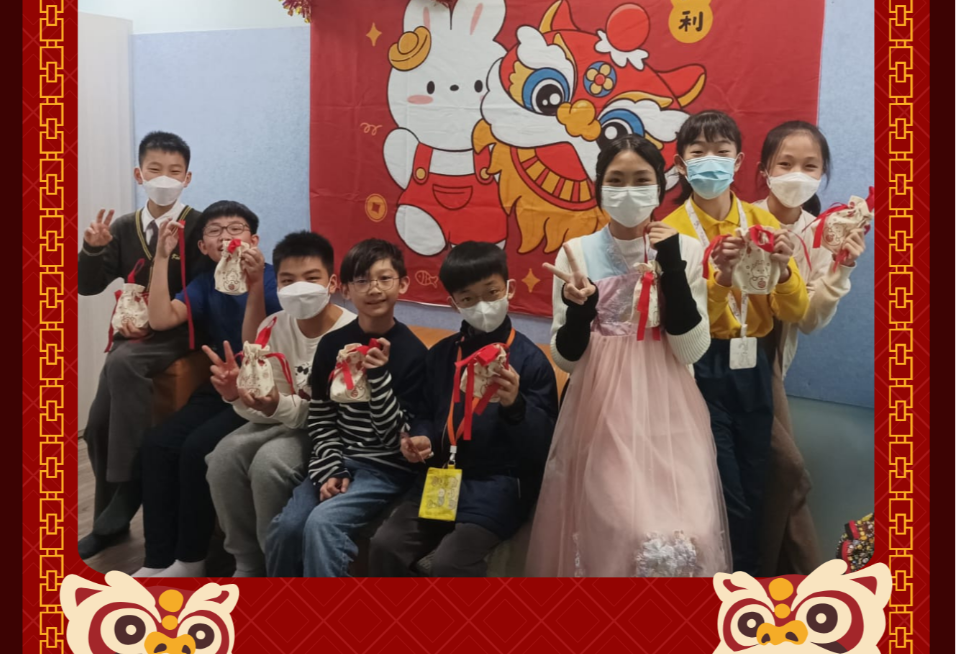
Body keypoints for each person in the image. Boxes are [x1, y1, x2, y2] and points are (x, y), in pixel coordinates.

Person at [525, 135, 730, 578]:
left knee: (690, 533)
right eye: (616, 180)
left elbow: (691, 349)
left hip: (670, 411)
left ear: (660, 185)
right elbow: (566, 359)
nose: (629, 190)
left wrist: (672, 269)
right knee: (621, 530)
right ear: (599, 187)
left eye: (641, 179)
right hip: (602, 413)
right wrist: (580, 312)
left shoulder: (686, 248)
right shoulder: (576, 253)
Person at [664, 110, 809, 576]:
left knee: (756, 475)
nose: (711, 161)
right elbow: (687, 321)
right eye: (698, 152)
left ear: (739, 161)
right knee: (723, 485)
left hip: (754, 363)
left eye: (721, 151)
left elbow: (795, 310)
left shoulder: (763, 222)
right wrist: (722, 278)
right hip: (699, 364)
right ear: (681, 164)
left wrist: (783, 272)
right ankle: (730, 577)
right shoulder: (672, 232)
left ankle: (750, 580)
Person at [370, 241, 558, 577]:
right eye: (468, 299)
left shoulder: (530, 362)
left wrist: (516, 405)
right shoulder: (441, 355)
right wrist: (422, 437)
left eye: (491, 292)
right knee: (386, 544)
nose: (482, 305)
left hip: (499, 483)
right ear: (453, 303)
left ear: (510, 289)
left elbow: (543, 448)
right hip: (442, 475)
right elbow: (425, 411)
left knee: (451, 562)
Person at [133, 202, 279, 578]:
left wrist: (254, 281)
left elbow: (266, 342)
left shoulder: (274, 279)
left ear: (254, 240)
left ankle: (191, 558)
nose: (226, 237)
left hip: (264, 390)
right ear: (203, 247)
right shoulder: (205, 282)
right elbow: (160, 318)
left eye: (236, 229)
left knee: (197, 448)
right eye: (215, 231)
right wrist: (161, 257)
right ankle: (157, 559)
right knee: (157, 444)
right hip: (220, 384)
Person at [265, 239, 427, 578]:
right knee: (287, 527)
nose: (374, 289)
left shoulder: (413, 353)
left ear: (403, 284)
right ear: (346, 290)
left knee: (323, 524)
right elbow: (322, 417)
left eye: (384, 279)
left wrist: (379, 377)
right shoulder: (333, 345)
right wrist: (330, 469)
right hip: (339, 457)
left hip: (384, 469)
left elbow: (394, 437)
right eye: (362, 281)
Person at [78, 130, 202, 560]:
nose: (164, 179)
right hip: (131, 333)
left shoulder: (199, 226)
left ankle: (130, 486)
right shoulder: (121, 227)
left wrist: (161, 316)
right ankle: (110, 524)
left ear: (187, 178)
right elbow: (88, 286)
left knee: (125, 363)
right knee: (96, 426)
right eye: (155, 170)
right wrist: (93, 250)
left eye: (174, 171)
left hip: (178, 333)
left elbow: (204, 292)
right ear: (139, 174)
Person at [204, 231, 355, 577]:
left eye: (311, 278)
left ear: (332, 283)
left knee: (269, 463)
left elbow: (329, 415)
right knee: (222, 457)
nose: (299, 288)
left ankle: (276, 564)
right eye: (288, 281)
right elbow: (263, 407)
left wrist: (275, 407)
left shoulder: (350, 336)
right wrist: (235, 394)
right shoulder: (271, 326)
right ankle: (246, 562)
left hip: (327, 431)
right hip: (283, 420)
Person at [754, 121, 868, 576]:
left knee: (781, 475)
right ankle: (796, 580)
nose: (796, 175)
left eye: (810, 166)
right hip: (718, 360)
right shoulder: (741, 218)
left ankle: (772, 579)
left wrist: (840, 268)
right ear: (764, 169)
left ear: (822, 175)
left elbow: (810, 320)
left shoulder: (823, 232)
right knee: (788, 470)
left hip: (770, 367)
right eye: (785, 163)